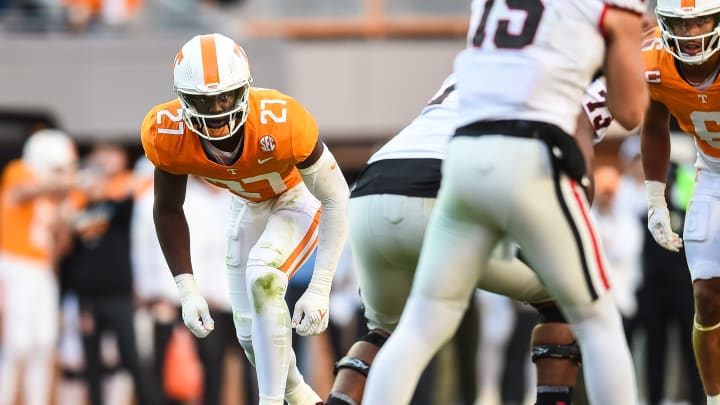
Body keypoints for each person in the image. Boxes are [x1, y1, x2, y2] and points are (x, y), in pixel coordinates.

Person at [363, 1, 648, 404]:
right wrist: (629, 40)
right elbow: (632, 111)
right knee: (597, 320)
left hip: (463, 155)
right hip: (529, 154)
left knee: (421, 325)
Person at [326, 71, 619, 405]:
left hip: (371, 188)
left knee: (383, 331)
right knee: (566, 299)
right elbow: (576, 172)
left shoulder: (487, 58)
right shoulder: (572, 69)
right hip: (441, 188)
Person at [140, 33, 350, 405]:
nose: (218, 111)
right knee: (253, 338)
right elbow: (168, 208)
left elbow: (335, 196)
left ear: (245, 88)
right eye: (204, 100)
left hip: (295, 195)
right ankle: (303, 399)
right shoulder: (165, 132)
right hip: (248, 204)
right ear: (182, 98)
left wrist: (320, 288)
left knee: (263, 274)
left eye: (225, 96)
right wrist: (187, 290)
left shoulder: (282, 120)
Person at [640, 2, 720, 402]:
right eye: (681, 24)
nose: (691, 34)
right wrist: (655, 198)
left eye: (701, 21)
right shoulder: (655, 61)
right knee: (705, 296)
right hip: (713, 174)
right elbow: (653, 124)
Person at [0, 129, 78, 405]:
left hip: (43, 270)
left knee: (44, 344)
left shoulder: (62, 192)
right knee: (17, 345)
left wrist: (64, 215)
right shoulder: (20, 171)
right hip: (15, 265)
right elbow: (24, 191)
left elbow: (63, 246)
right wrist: (64, 185)